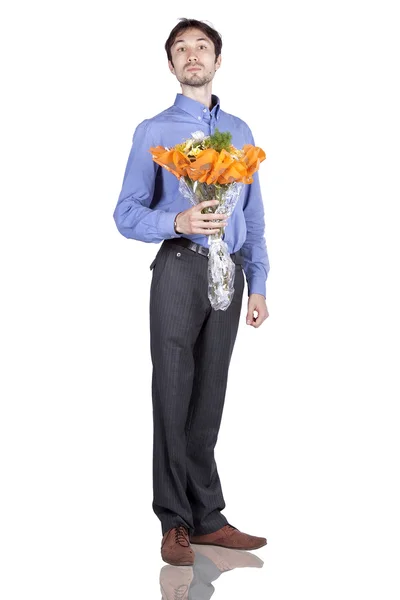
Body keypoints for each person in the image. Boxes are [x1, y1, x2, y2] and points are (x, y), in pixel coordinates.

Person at [113, 18, 270, 567]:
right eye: (180, 49)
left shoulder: (242, 132)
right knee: (173, 393)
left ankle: (208, 519)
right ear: (172, 65)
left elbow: (253, 215)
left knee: (209, 395)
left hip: (230, 275)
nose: (192, 54)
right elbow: (125, 212)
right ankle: (174, 522)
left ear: (218, 60)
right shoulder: (153, 130)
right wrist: (177, 220)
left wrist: (261, 284)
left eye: (201, 46)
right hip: (179, 269)